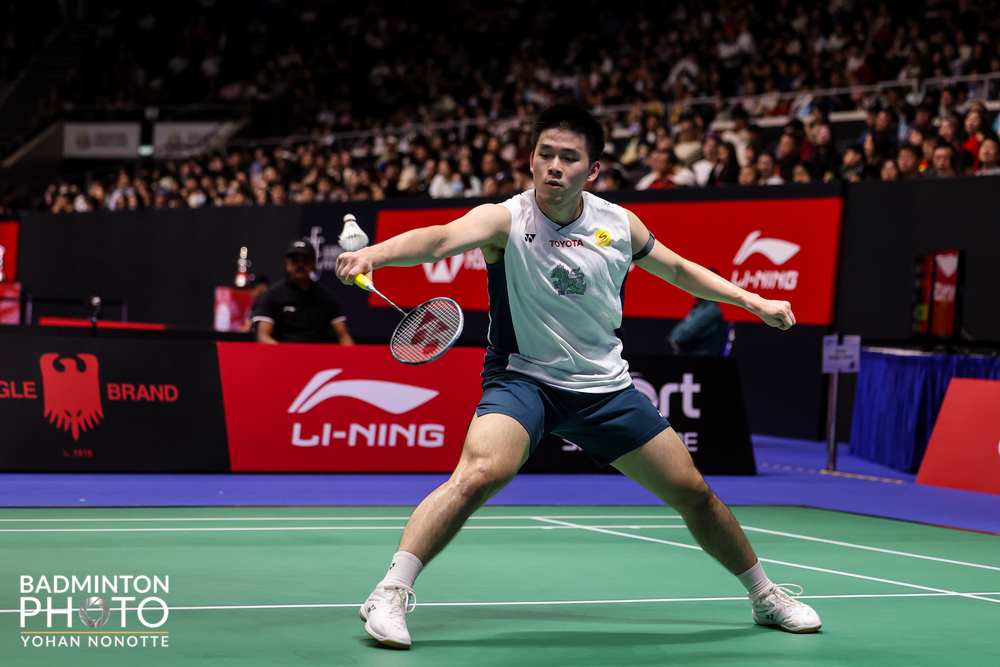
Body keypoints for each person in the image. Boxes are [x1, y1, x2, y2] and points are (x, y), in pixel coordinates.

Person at [336, 104, 821, 650]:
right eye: (545, 153)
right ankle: (390, 592)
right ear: (531, 158)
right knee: (478, 474)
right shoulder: (505, 219)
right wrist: (375, 254)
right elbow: (441, 239)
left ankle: (764, 595)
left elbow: (680, 270)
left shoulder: (619, 224)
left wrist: (752, 300)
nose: (554, 166)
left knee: (694, 492)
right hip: (524, 379)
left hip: (604, 389)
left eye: (569, 157)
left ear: (592, 170)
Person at [254, 239, 355, 345]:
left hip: (318, 352)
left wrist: (352, 353)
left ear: (314, 264)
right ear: (287, 263)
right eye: (295, 260)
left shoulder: (326, 297)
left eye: (306, 260)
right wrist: (284, 353)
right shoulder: (272, 295)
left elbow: (344, 337)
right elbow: (263, 337)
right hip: (283, 351)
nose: (300, 265)